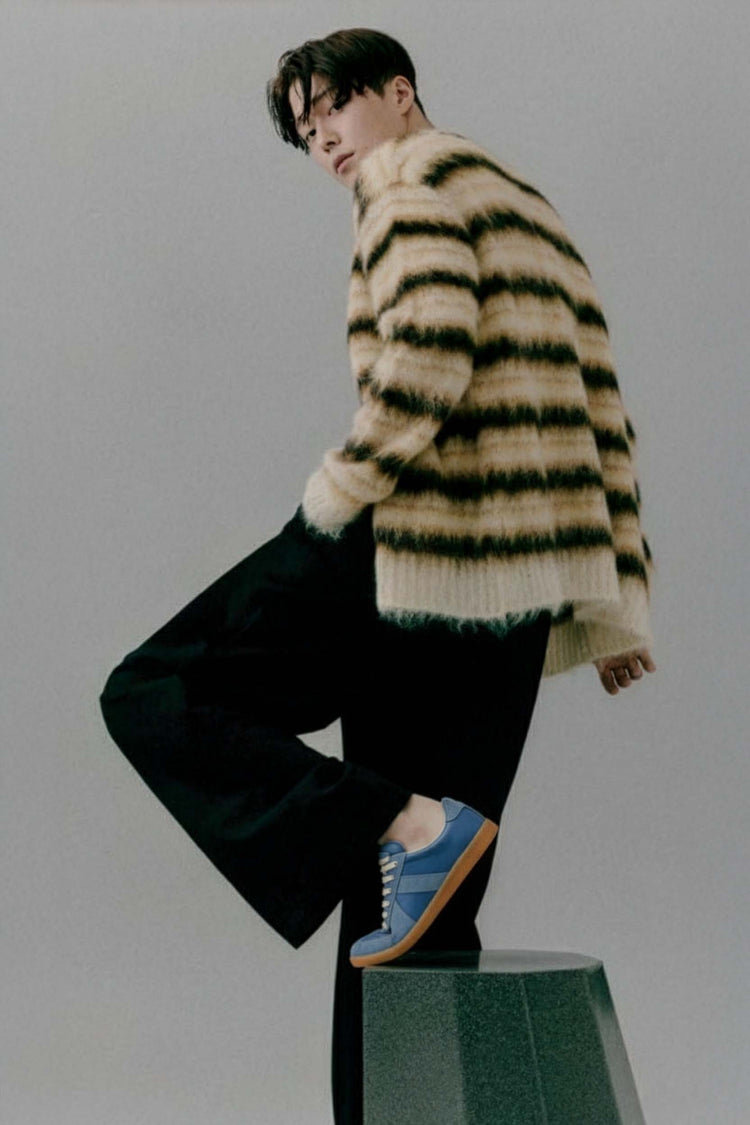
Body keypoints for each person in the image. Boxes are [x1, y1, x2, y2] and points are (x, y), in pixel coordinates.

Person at [98, 26, 656, 1125]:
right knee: (416, 927)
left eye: (334, 110)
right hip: (512, 592)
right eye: (306, 131)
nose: (325, 142)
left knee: (152, 691)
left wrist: (335, 498)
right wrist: (614, 600)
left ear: (399, 93)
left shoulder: (407, 183)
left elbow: (429, 356)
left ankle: (400, 817)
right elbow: (598, 406)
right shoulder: (529, 209)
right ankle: (405, 831)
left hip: (413, 547)